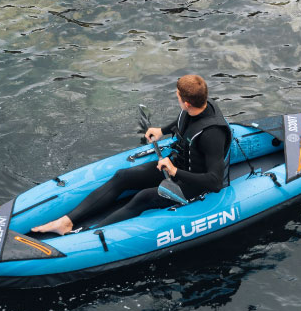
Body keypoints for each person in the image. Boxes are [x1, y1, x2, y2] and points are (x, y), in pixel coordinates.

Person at [29, 74, 230, 236]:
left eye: (177, 95)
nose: (176, 97)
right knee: (122, 176)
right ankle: (66, 221)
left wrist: (175, 171)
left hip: (193, 184)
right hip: (175, 166)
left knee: (143, 198)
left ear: (187, 103)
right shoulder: (198, 104)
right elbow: (183, 122)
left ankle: (86, 236)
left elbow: (215, 181)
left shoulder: (212, 135)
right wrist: (162, 130)